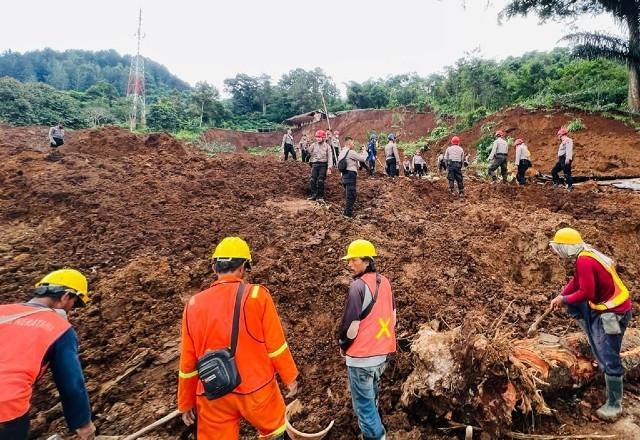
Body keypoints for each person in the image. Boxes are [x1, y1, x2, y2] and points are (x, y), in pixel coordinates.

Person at [178, 237, 299, 439]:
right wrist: (290, 377)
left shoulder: (193, 305)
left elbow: (188, 361)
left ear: (215, 268)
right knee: (275, 432)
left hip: (213, 392)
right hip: (257, 389)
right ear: (243, 267)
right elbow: (275, 345)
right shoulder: (256, 296)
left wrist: (185, 401)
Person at [0, 269, 95, 440]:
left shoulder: (3, 311)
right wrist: (83, 424)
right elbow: (71, 383)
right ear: (66, 297)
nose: (72, 309)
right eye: (74, 303)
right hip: (5, 408)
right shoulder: (59, 328)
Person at [549, 228, 632, 422]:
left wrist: (565, 300)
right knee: (603, 348)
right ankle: (602, 359)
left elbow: (586, 292)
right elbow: (576, 281)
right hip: (611, 308)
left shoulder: (584, 260)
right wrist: (562, 295)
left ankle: (614, 404)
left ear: (565, 248)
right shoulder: (585, 254)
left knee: (608, 354)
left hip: (614, 314)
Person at [339, 239, 396, 440]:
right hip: (381, 355)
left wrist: (343, 345)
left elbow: (351, 328)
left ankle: (376, 436)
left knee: (363, 406)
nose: (349, 264)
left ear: (366, 261)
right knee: (371, 397)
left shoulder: (357, 287)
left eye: (353, 260)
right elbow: (393, 318)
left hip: (361, 357)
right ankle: (373, 430)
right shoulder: (385, 282)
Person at [338, 137, 368, 218]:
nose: (353, 144)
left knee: (350, 194)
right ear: (349, 143)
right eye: (353, 143)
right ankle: (348, 214)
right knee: (351, 195)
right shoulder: (351, 152)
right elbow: (362, 159)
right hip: (350, 175)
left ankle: (347, 211)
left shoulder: (341, 152)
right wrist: (365, 151)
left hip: (344, 175)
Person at [307, 130, 334, 203]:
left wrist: (329, 168)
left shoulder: (327, 146)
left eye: (319, 137)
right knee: (312, 180)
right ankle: (313, 194)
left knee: (320, 180)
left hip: (323, 165)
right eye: (317, 137)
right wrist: (307, 146)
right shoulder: (314, 145)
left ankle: (320, 196)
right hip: (314, 164)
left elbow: (330, 157)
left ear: (323, 137)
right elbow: (308, 151)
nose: (318, 138)